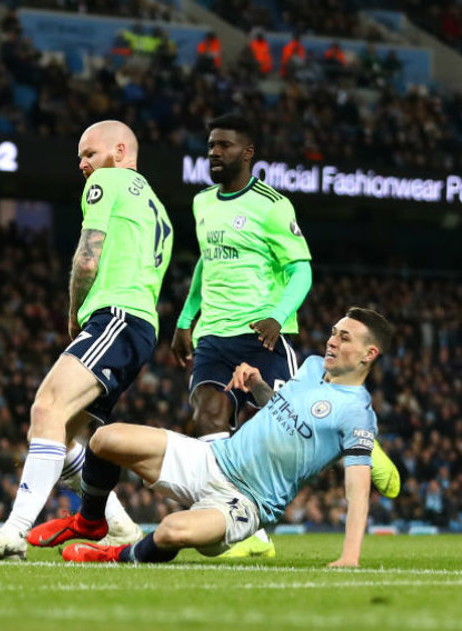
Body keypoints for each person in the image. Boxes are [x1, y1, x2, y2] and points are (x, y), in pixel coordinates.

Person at [170, 113, 399, 557]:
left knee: (292, 429)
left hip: (262, 335)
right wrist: (185, 318)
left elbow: (301, 270)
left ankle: (363, 446)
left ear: (247, 153)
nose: (214, 152)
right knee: (208, 416)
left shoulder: (273, 206)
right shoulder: (202, 203)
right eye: (211, 145)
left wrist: (277, 316)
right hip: (213, 333)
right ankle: (246, 529)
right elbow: (205, 262)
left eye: (224, 146)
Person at [0, 120, 173, 560]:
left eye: (89, 153)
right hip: (139, 324)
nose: (82, 164)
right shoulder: (158, 208)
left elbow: (88, 257)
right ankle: (121, 526)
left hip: (116, 316)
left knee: (47, 406)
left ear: (119, 151)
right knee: (64, 432)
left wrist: (74, 312)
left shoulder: (106, 182)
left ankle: (13, 533)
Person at [53, 308, 392, 568]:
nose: (332, 341)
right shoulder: (313, 366)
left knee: (171, 530)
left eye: (345, 338)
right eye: (333, 333)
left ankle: (119, 556)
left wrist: (350, 556)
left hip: (246, 501)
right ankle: (91, 521)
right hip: (213, 458)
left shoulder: (356, 412)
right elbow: (282, 410)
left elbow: (358, 489)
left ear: (369, 354)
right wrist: (257, 384)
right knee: (105, 439)